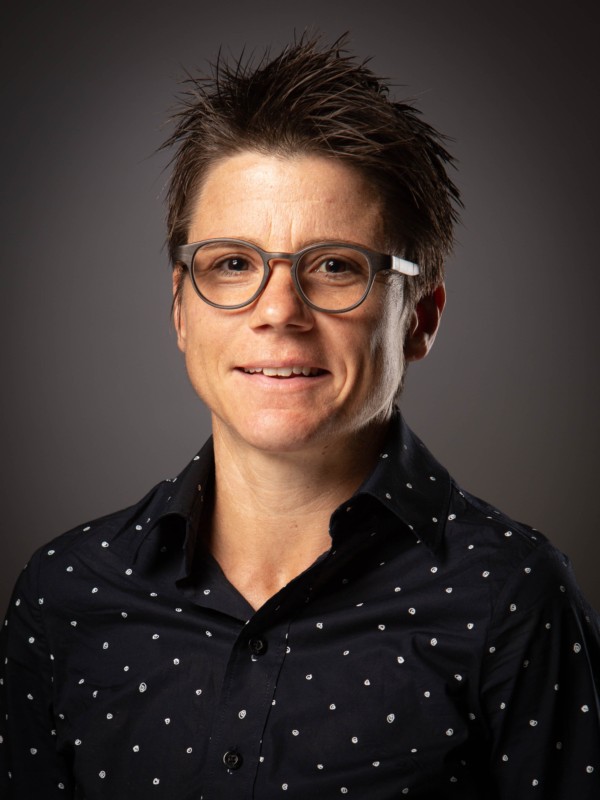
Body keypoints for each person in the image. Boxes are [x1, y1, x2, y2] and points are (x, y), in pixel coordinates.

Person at [1, 35, 599, 800]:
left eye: (336, 266)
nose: (279, 311)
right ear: (180, 307)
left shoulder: (513, 597)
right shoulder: (65, 593)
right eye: (233, 264)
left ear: (420, 318)